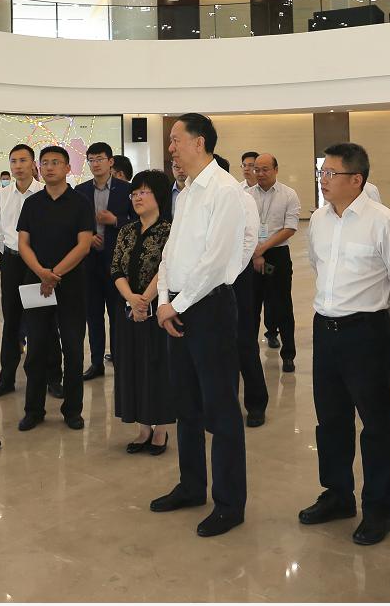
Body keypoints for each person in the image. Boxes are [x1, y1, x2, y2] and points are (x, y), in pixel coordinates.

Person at [300, 143, 390, 546]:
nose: (323, 180)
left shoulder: (383, 222)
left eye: (331, 174)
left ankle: (379, 508)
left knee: (376, 423)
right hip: (324, 328)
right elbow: (317, 265)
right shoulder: (319, 220)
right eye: (322, 173)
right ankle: (338, 494)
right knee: (330, 418)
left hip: (366, 331)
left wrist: (380, 317)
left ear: (356, 179)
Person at [151, 113, 250, 538]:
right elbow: (171, 252)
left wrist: (176, 305)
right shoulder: (186, 191)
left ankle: (229, 503)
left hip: (209, 309)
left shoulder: (225, 191)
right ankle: (192, 486)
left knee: (221, 408)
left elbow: (215, 262)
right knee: (185, 403)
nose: (170, 148)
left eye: (176, 140)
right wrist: (163, 300)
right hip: (177, 306)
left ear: (200, 142)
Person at [16, 145, 94, 431]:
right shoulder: (32, 203)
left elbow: (84, 245)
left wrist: (54, 274)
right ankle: (33, 410)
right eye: (45, 163)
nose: (49, 167)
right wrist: (41, 273)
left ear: (67, 168)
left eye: (56, 162)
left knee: (73, 348)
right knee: (36, 347)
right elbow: (23, 243)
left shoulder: (81, 203)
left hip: (71, 284)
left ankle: (72, 410)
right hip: (36, 283)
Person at [0, 144, 62, 399]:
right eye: (13, 161)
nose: (18, 166)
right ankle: (6, 379)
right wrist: (9, 256)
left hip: (38, 265)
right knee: (11, 321)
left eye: (23, 160)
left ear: (33, 164)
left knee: (44, 321)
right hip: (12, 262)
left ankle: (53, 378)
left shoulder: (44, 192)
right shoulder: (1, 195)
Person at [112, 171, 175, 455]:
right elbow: (116, 268)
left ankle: (160, 428)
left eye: (143, 192)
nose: (137, 197)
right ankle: (143, 428)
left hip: (158, 310)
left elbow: (167, 268)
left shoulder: (170, 230)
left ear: (158, 196)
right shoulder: (126, 230)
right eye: (134, 193)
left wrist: (145, 300)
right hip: (128, 309)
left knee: (157, 367)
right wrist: (131, 299)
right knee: (132, 366)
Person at [212, 156, 269, 427]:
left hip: (236, 277)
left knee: (244, 341)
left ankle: (256, 403)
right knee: (218, 344)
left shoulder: (242, 199)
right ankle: (225, 403)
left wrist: (229, 273)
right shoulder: (201, 199)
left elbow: (249, 239)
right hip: (210, 278)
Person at [77, 142, 133, 379]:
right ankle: (96, 362)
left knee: (117, 314)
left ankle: (120, 361)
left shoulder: (127, 189)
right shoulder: (80, 190)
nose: (95, 164)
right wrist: (88, 237)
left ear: (111, 162)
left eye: (100, 159)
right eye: (91, 160)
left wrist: (115, 220)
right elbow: (75, 222)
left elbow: (138, 221)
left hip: (117, 263)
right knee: (93, 315)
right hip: (89, 262)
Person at [249, 153, 301, 372]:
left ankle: (288, 354)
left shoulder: (288, 194)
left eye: (265, 169)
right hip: (250, 255)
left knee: (282, 305)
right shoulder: (246, 195)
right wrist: (255, 253)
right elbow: (243, 227)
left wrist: (262, 249)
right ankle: (249, 355)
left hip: (278, 255)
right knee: (250, 307)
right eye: (256, 169)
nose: (260, 174)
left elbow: (290, 228)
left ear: (276, 170)